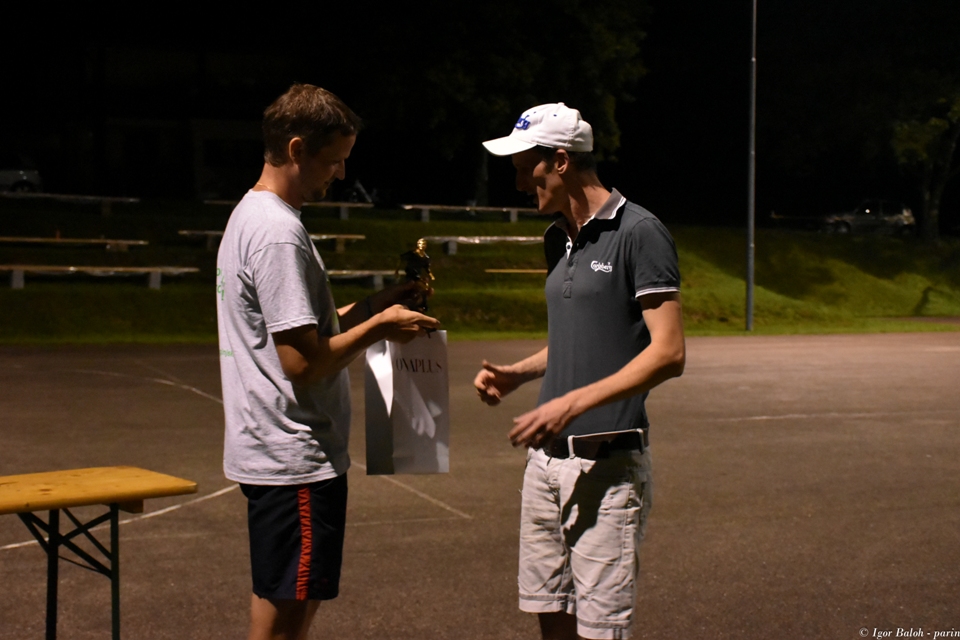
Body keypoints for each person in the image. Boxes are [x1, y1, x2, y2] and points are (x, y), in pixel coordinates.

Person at [216, 83, 439, 640]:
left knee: (282, 599)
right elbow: (302, 362)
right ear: (297, 149)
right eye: (334, 160)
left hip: (276, 453)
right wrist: (380, 329)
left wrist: (374, 306)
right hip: (294, 457)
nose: (340, 174)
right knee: (286, 617)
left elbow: (298, 328)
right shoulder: (278, 234)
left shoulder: (253, 215)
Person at [473, 103, 686, 640]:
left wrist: (573, 402)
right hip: (544, 466)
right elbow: (579, 337)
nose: (520, 183)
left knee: (599, 631)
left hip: (606, 469)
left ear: (561, 161)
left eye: (526, 168)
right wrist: (518, 374)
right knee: (550, 617)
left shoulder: (641, 232)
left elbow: (668, 352)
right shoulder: (557, 237)